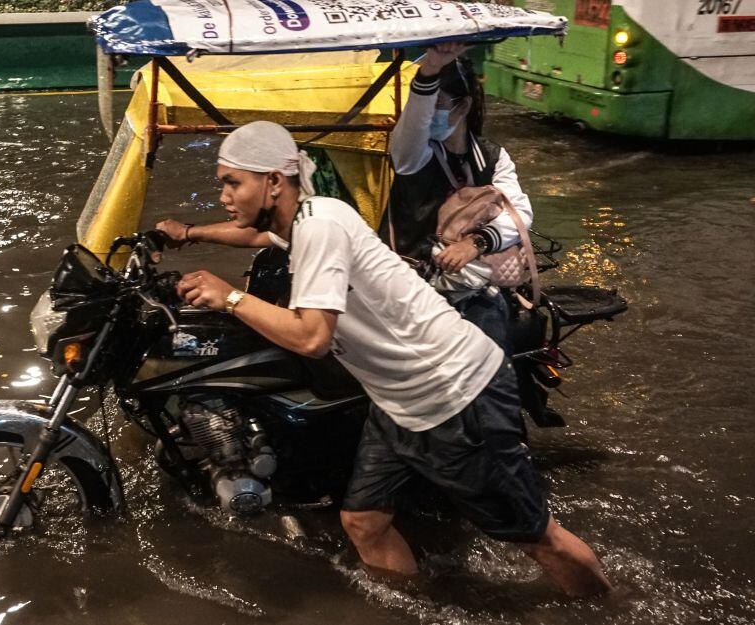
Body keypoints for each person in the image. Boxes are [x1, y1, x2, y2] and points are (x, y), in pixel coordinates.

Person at [175, 120, 612, 597]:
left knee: (537, 537)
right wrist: (190, 234)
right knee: (363, 522)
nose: (223, 194)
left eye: (232, 182)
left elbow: (313, 337)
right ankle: (415, 605)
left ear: (274, 182)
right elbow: (256, 239)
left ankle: (608, 607)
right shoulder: (306, 219)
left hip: (456, 395)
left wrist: (230, 297)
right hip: (400, 402)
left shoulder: (318, 227)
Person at [383, 42, 534, 353]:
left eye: (436, 104)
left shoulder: (492, 157)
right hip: (414, 282)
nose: (426, 117)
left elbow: (520, 212)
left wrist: (476, 242)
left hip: (477, 283)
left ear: (462, 107)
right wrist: (429, 72)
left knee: (488, 351)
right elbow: (410, 133)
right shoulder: (415, 156)